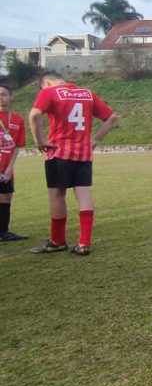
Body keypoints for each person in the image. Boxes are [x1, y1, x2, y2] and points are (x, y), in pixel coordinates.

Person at [28, 72, 117, 256]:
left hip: (59, 150)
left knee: (57, 194)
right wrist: (96, 139)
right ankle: (84, 243)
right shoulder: (87, 93)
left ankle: (57, 240)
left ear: (47, 83)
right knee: (83, 192)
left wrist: (40, 141)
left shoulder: (49, 92)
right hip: (83, 152)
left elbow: (34, 115)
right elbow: (112, 118)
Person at [0, 85, 28, 242]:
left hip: (6, 168)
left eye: (4, 94)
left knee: (5, 198)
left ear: (10, 97)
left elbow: (17, 145)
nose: (1, 97)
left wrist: (10, 168)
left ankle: (3, 232)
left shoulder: (18, 120)